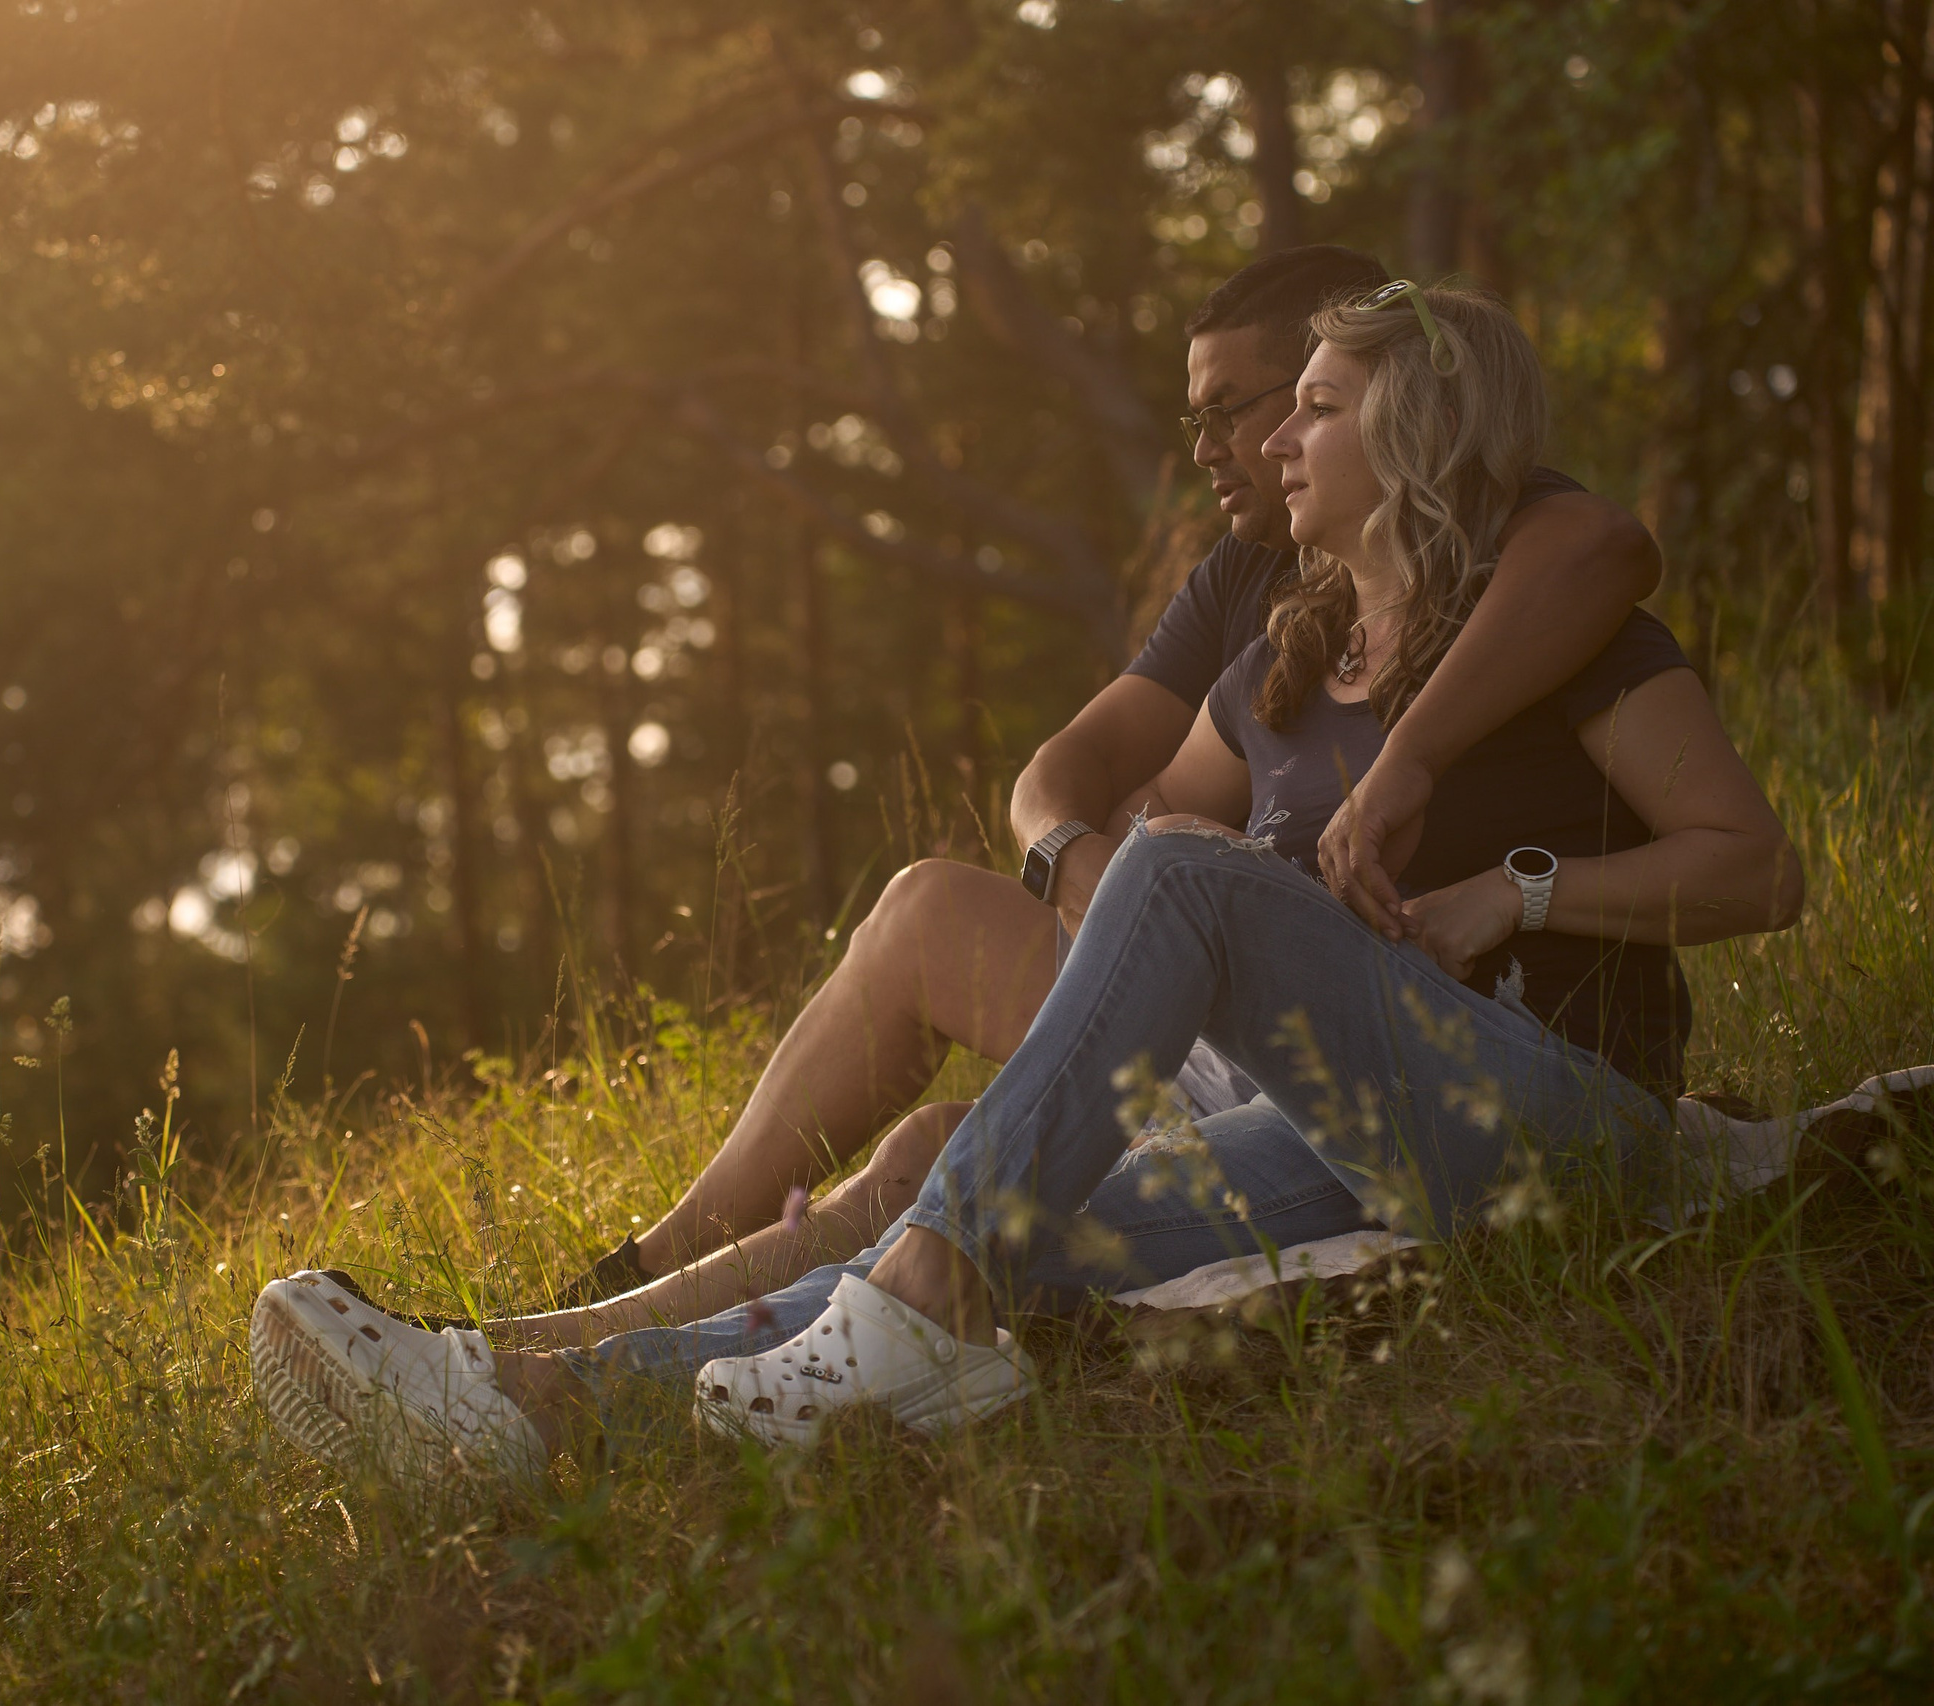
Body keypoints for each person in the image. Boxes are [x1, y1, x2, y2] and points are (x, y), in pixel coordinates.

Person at [248, 282, 1806, 1475]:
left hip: (1566, 1113)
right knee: (1020, 1214)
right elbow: (1091, 805)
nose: (1271, 441)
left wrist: (1514, 894)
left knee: (1182, 882)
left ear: (1415, 433)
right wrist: (1103, 902)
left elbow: (1757, 871)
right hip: (1343, 1122)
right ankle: (527, 1401)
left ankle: (906, 1297)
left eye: (1311, 408)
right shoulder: (1295, 655)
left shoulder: (1567, 639)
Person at [523, 244, 1663, 1315]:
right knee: (928, 913)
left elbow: (1605, 548)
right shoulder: (1259, 590)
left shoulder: (1490, 539)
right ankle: (624, 1293)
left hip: (1395, 1034)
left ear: (1385, 408)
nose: (1216, 445)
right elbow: (1070, 772)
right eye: (1196, 416)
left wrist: (1425, 792)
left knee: (955, 1147)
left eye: (1242, 407)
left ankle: (681, 1335)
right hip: (1223, 1000)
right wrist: (1079, 859)